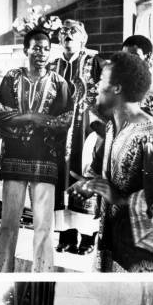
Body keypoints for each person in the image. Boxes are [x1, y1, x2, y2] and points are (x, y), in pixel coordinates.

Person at [71, 52, 153, 272]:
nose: (95, 87)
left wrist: (120, 199)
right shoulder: (113, 127)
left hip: (146, 262)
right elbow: (103, 175)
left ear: (117, 88)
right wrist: (89, 186)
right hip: (113, 247)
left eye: (102, 80)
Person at [0, 29, 72, 272]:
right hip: (14, 158)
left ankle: (42, 274)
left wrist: (33, 120)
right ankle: (2, 272)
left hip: (44, 160)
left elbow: (65, 120)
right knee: (8, 223)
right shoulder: (12, 77)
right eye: (36, 47)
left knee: (43, 226)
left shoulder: (59, 83)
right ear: (26, 50)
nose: (41, 53)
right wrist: (33, 117)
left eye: (46, 48)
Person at [50, 19, 104, 255]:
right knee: (60, 182)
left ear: (83, 38)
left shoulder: (95, 62)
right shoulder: (53, 65)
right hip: (59, 135)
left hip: (87, 132)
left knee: (84, 176)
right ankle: (66, 235)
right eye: (63, 32)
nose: (67, 35)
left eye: (73, 32)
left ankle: (89, 236)